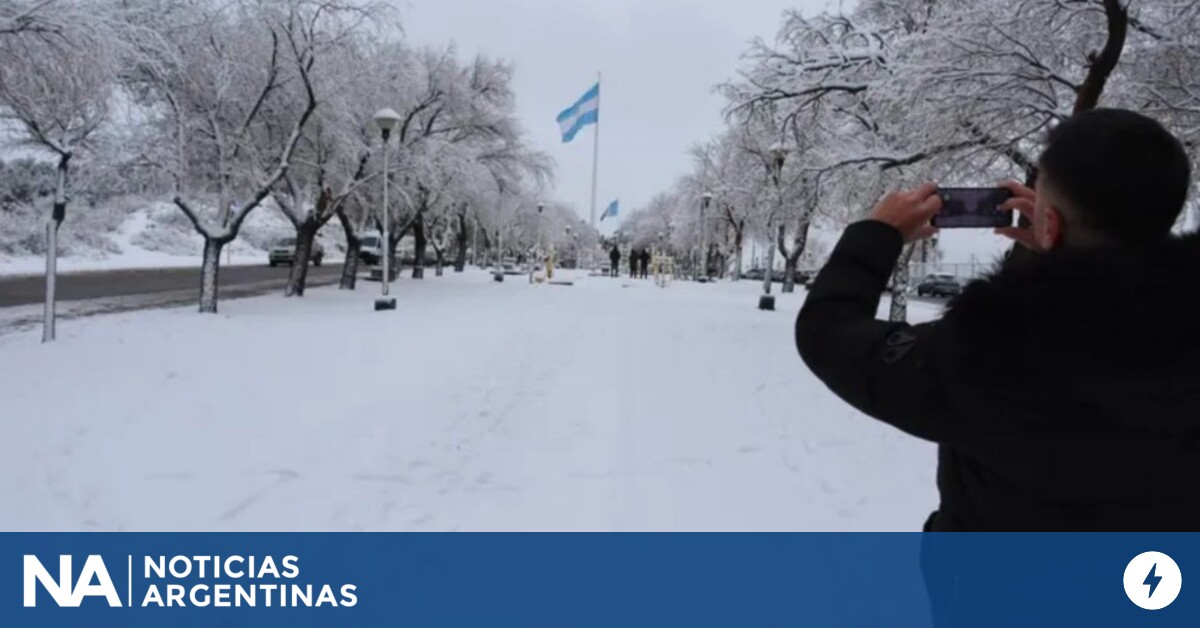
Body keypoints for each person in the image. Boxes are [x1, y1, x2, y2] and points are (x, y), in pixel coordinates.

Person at [797, 108, 1197, 532]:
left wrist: (877, 235)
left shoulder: (993, 350)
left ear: (1047, 223)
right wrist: (1062, 248)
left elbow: (828, 333)